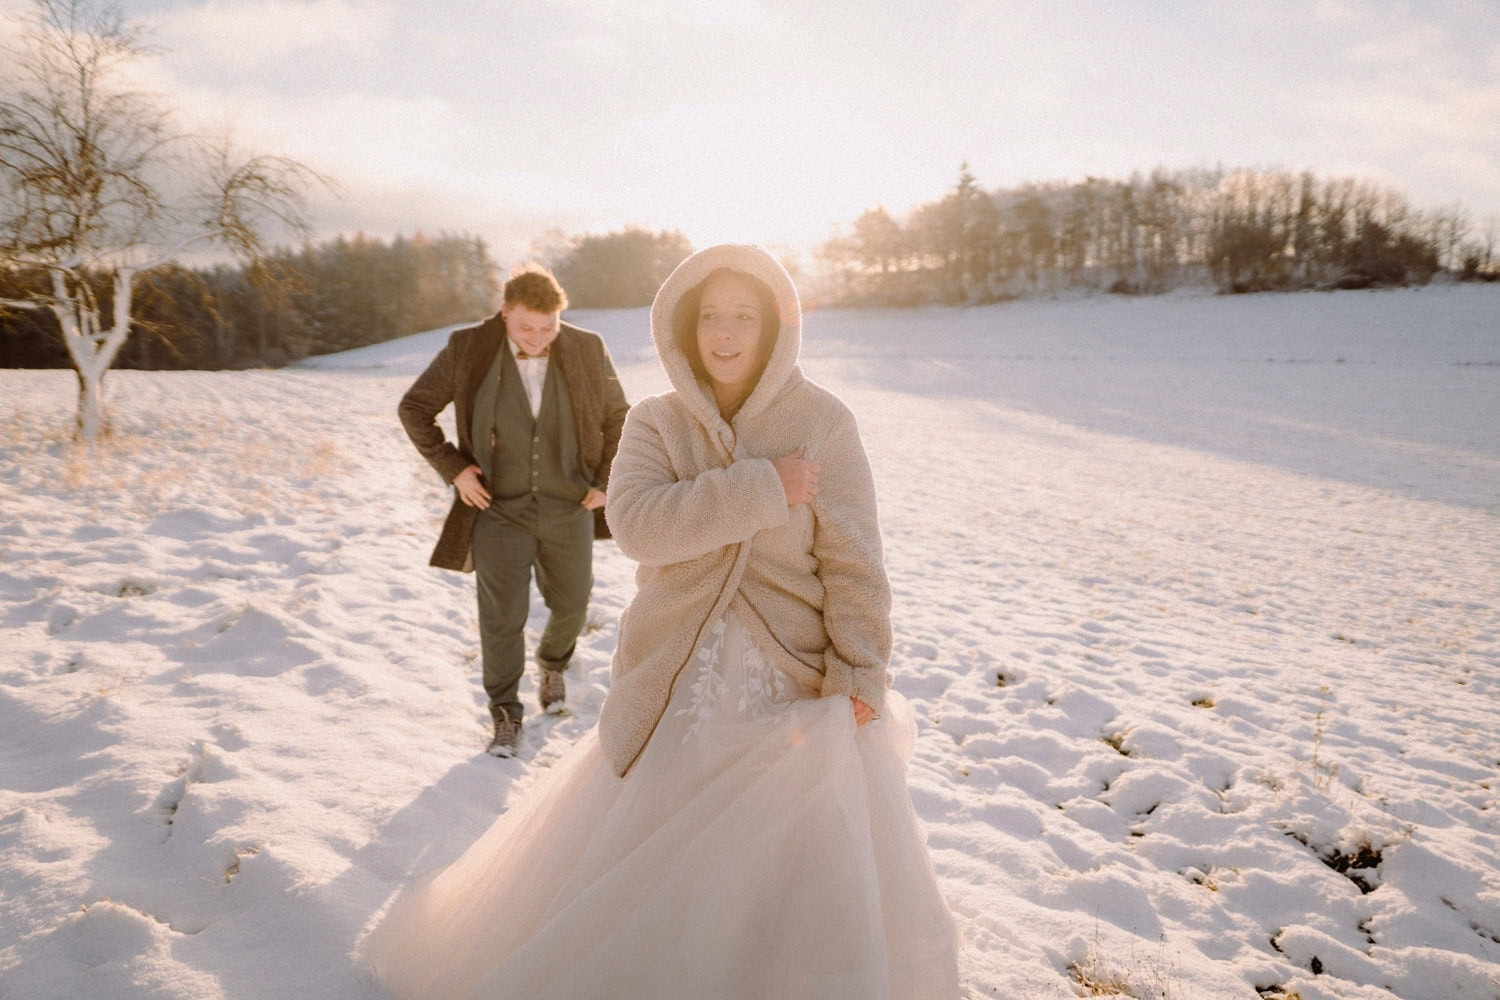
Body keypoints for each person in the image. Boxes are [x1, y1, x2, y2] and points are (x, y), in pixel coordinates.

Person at [363, 244, 961, 999]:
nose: (724, 333)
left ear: (776, 325)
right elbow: (639, 525)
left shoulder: (823, 422)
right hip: (678, 673)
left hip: (801, 681)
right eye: (710, 315)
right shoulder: (656, 422)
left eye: (743, 316)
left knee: (794, 858)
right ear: (684, 324)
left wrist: (859, 668)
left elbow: (853, 562)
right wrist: (761, 487)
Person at [397, 263, 629, 756]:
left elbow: (619, 417)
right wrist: (455, 469)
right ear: (504, 313)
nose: (540, 338)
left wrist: (606, 481)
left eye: (549, 327)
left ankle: (553, 662)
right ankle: (505, 711)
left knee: (572, 603)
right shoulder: (467, 348)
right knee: (501, 616)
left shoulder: (587, 348)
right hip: (497, 508)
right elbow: (414, 407)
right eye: (527, 327)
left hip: (570, 504)